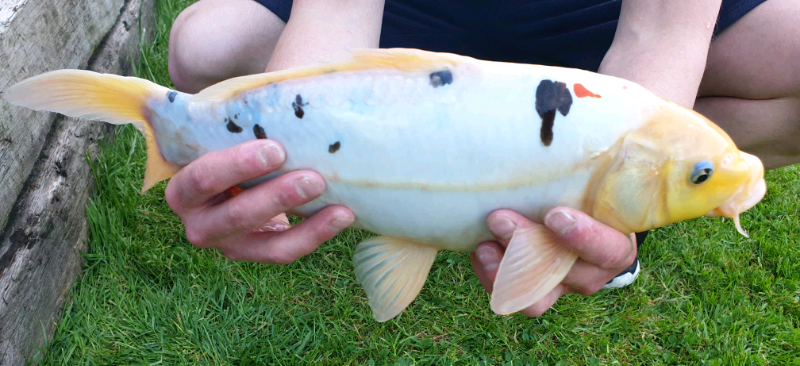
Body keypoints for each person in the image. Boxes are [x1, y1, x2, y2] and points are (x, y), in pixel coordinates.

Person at [166, 0, 798, 317]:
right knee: (205, 45)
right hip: (416, 12)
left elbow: (662, 26)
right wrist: (267, 157)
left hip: (589, 14)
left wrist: (614, 206)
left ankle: (590, 211)